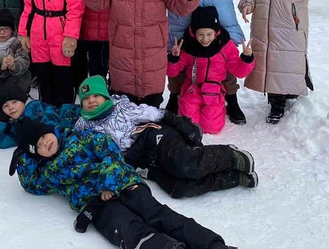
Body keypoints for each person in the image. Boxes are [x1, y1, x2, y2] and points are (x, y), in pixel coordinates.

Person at [11, 119, 238, 249]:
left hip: (122, 183)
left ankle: (212, 246)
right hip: (97, 206)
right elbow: (31, 185)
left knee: (157, 214)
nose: (45, 143)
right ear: (36, 154)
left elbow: (110, 152)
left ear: (50, 129)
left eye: (44, 136)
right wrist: (23, 157)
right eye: (38, 146)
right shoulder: (48, 172)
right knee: (126, 230)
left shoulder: (81, 138)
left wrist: (106, 184)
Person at [73, 75, 257, 198]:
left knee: (184, 164)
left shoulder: (120, 107)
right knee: (178, 188)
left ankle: (231, 156)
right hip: (136, 160)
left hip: (152, 136)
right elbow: (79, 151)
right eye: (86, 98)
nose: (91, 101)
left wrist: (175, 120)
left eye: (96, 95)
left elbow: (148, 113)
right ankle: (232, 177)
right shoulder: (82, 126)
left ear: (105, 96)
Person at [172, 7, 255, 134]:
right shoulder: (188, 46)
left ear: (216, 32)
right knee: (187, 126)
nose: (205, 39)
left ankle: (223, 108)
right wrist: (174, 58)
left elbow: (239, 71)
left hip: (214, 91)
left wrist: (246, 58)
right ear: (194, 32)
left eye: (209, 34)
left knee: (212, 127)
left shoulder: (225, 46)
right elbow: (173, 72)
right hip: (192, 90)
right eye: (200, 34)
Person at [0, 80, 81, 149]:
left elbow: (61, 113)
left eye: (14, 102)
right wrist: (0, 121)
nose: (11, 107)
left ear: (23, 101)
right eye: (5, 106)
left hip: (75, 128)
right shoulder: (15, 127)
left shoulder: (35, 108)